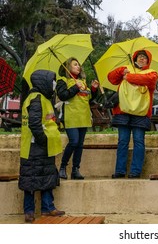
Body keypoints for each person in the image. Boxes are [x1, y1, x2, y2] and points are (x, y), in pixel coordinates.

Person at [19, 70, 65, 223]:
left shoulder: (42, 98)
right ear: (43, 82)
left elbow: (46, 119)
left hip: (42, 145)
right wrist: (43, 140)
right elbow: (34, 123)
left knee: (47, 175)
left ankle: (47, 208)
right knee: (30, 178)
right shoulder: (37, 98)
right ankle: (30, 210)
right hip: (35, 145)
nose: (53, 84)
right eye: (52, 81)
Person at [109, 50, 158, 179]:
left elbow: (150, 80)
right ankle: (119, 171)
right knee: (123, 141)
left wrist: (128, 77)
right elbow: (111, 78)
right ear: (135, 59)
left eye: (145, 58)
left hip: (141, 114)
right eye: (140, 57)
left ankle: (135, 171)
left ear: (148, 61)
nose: (142, 59)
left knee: (139, 141)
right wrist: (121, 72)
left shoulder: (152, 73)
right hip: (123, 112)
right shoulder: (125, 69)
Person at [56, 57, 99, 180]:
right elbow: (63, 96)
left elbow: (88, 99)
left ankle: (76, 170)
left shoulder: (83, 81)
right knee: (73, 141)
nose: (78, 66)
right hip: (71, 117)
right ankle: (63, 167)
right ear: (68, 67)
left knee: (80, 144)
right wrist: (75, 87)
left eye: (79, 64)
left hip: (83, 117)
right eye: (75, 64)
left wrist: (94, 89)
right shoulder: (62, 81)